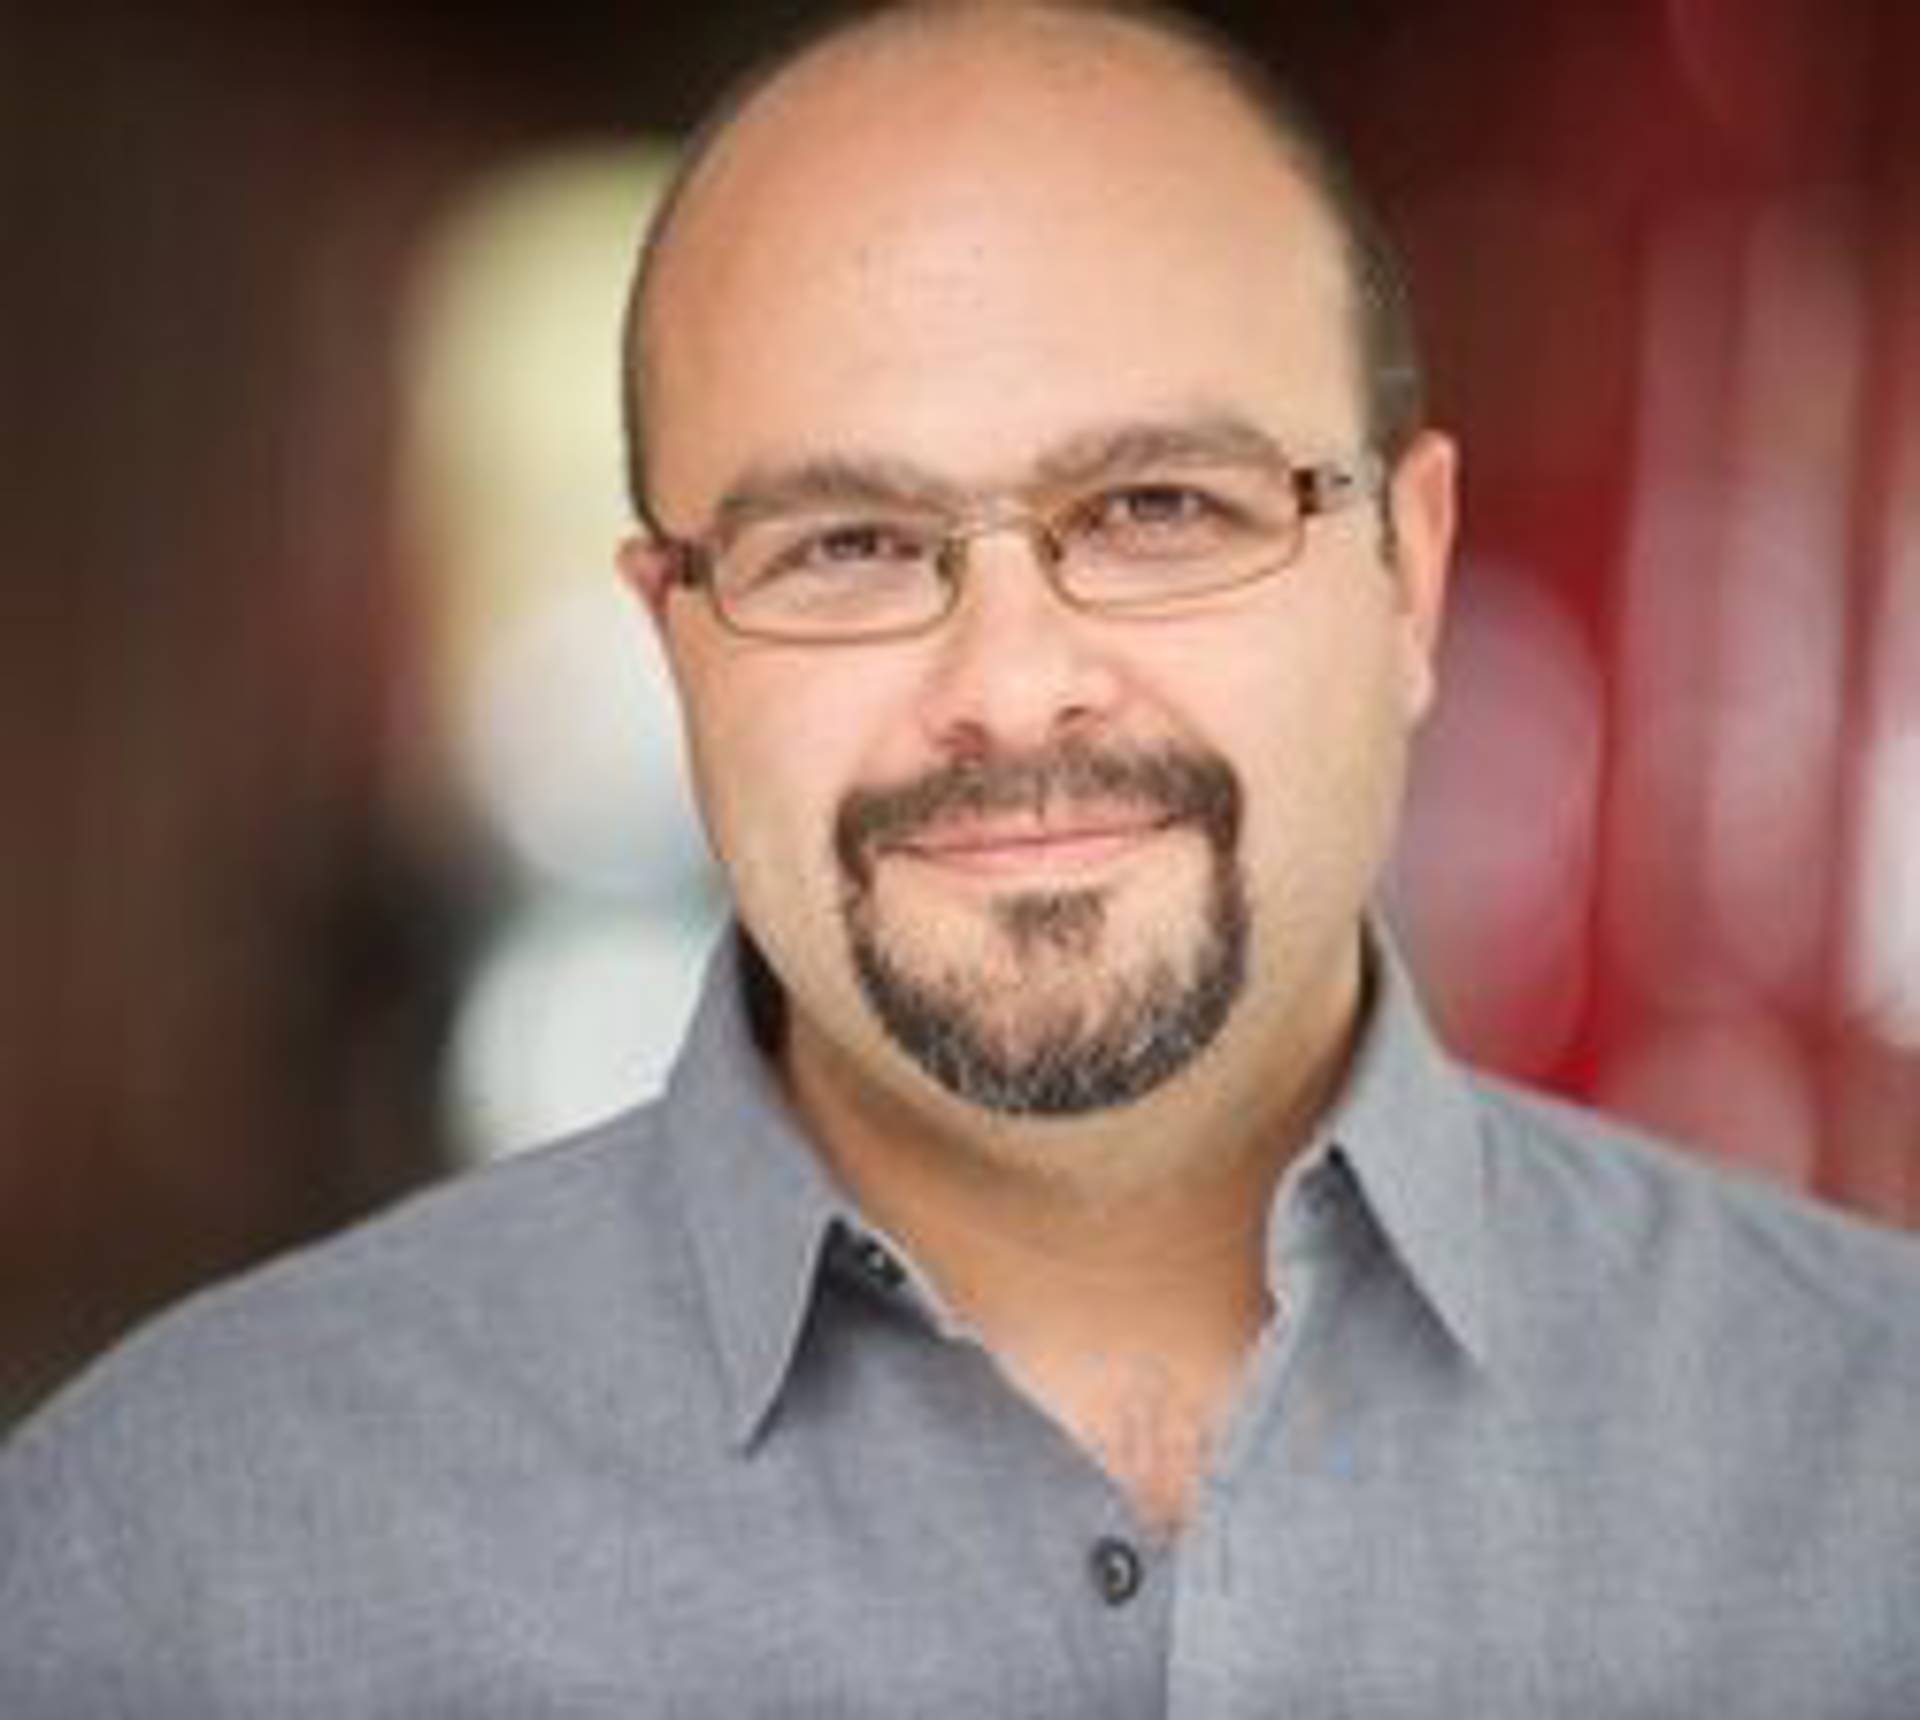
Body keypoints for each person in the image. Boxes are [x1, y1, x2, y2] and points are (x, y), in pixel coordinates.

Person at [4, 2, 1918, 1712]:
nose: (1011, 688)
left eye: (1163, 508)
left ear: (1407, 572)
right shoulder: (160, 1559)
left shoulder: (1876, 1463)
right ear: (680, 640)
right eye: (844, 545)